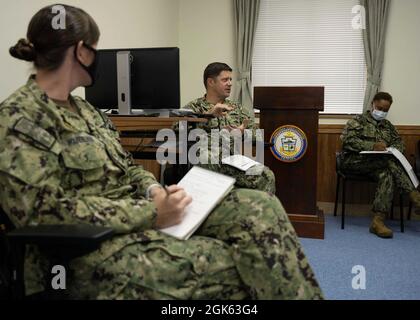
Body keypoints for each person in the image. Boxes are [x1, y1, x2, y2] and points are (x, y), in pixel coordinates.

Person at [0, 4, 322, 299]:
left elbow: (128, 166)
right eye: (96, 51)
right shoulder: (19, 117)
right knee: (245, 263)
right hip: (86, 251)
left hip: (139, 215)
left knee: (260, 208)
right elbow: (44, 214)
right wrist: (153, 213)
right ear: (81, 52)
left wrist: (155, 190)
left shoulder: (88, 111)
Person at [180, 62, 275, 193]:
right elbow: (177, 131)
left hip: (231, 162)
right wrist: (208, 116)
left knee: (266, 175)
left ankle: (257, 211)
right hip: (204, 162)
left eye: (230, 79)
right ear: (211, 82)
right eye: (225, 80)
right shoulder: (194, 107)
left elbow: (257, 135)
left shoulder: (237, 109)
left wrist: (242, 134)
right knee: (209, 159)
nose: (230, 83)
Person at [340, 92, 420, 238]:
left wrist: (392, 149)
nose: (382, 112)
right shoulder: (357, 121)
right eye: (380, 108)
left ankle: (378, 221)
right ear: (373, 104)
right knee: (388, 163)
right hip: (354, 162)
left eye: (385, 110)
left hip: (380, 165)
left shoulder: (388, 126)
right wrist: (372, 146)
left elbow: (399, 143)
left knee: (387, 173)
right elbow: (347, 141)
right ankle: (415, 197)